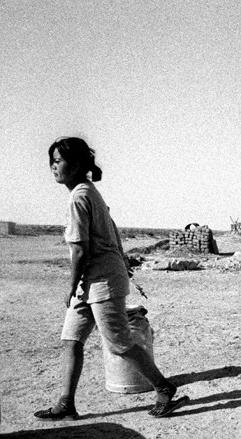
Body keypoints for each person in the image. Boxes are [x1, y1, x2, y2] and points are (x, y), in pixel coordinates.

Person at [34, 136, 188, 420]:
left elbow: (81, 250)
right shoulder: (87, 192)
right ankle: (66, 403)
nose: (53, 167)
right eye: (51, 162)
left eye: (58, 161)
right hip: (91, 282)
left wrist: (71, 286)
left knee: (120, 343)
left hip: (101, 281)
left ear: (78, 164)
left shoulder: (80, 196)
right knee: (71, 340)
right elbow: (109, 236)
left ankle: (164, 388)